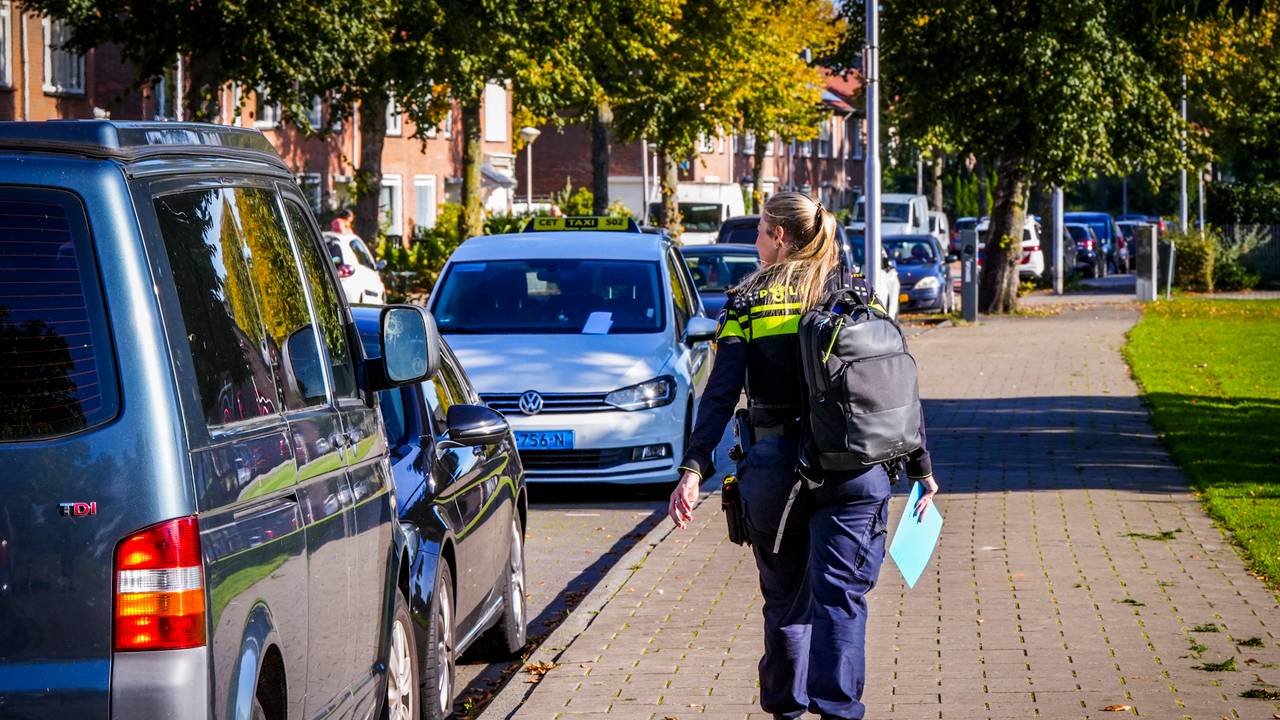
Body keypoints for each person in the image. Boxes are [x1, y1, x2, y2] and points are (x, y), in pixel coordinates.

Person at [669, 191, 939, 720]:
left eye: (760, 232)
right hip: (856, 469)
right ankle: (839, 710)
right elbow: (892, 387)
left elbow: (720, 395)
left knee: (786, 600)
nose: (755, 241)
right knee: (840, 600)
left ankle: (787, 711)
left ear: (781, 237)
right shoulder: (857, 296)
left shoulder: (747, 303)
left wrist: (694, 468)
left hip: (775, 471)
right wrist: (921, 467)